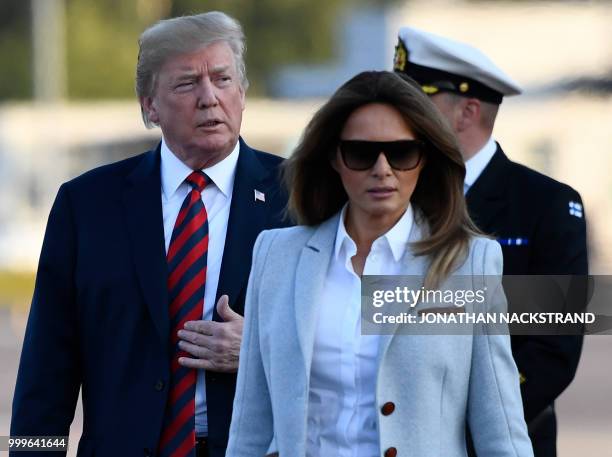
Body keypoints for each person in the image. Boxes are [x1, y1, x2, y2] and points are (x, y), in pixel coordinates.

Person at [11, 11, 289, 457]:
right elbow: (44, 374)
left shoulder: (304, 197)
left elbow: (362, 338)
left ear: (243, 92)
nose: (209, 98)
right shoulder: (86, 205)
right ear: (149, 106)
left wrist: (261, 351)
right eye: (186, 84)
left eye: (222, 79)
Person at [225, 71, 533, 457]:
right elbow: (251, 425)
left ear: (425, 159)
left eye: (402, 153)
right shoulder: (277, 255)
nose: (382, 169)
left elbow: (500, 428)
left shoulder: (469, 263)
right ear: (335, 158)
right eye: (361, 153)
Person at [393, 27, 588, 457]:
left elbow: (553, 350)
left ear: (467, 112)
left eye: (416, 101)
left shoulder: (547, 204)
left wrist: (456, 425)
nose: (399, 114)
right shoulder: (390, 195)